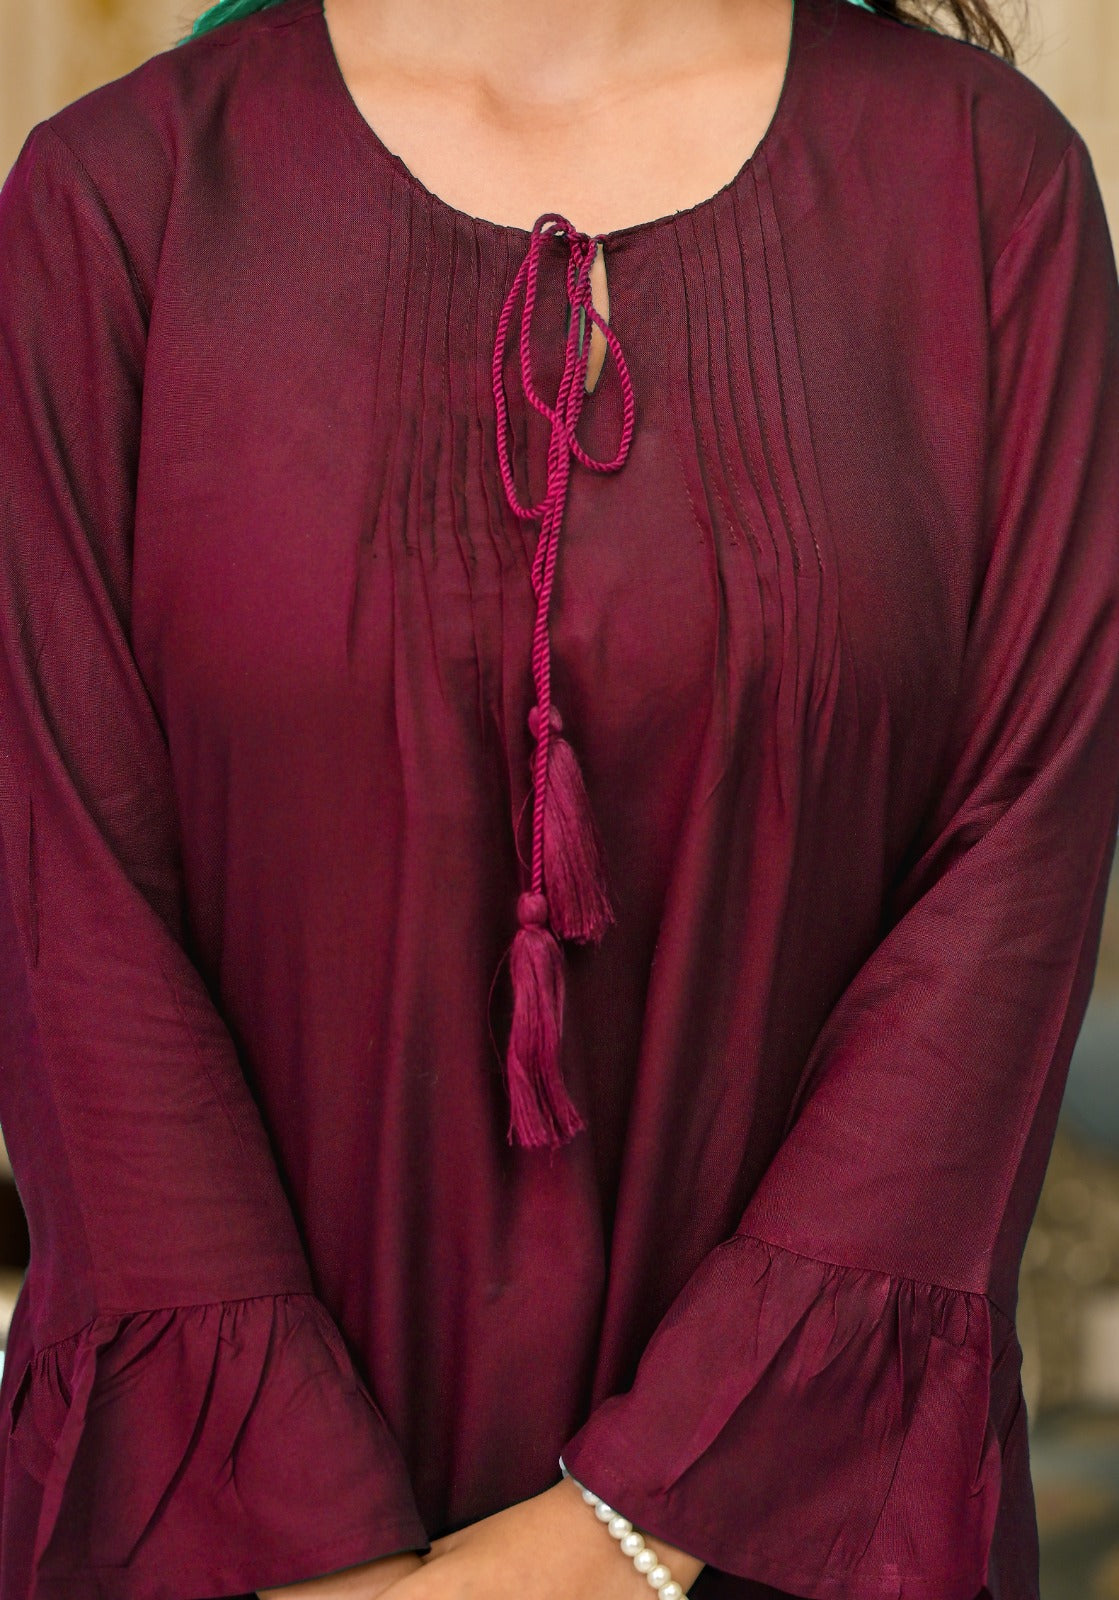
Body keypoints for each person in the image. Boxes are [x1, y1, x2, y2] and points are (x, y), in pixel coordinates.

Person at [0, 0, 1117, 1592]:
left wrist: (620, 1540)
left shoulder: (993, 188)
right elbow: (64, 914)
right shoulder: (113, 202)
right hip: (224, 1552)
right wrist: (304, 1549)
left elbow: (1009, 896)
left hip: (796, 1539)